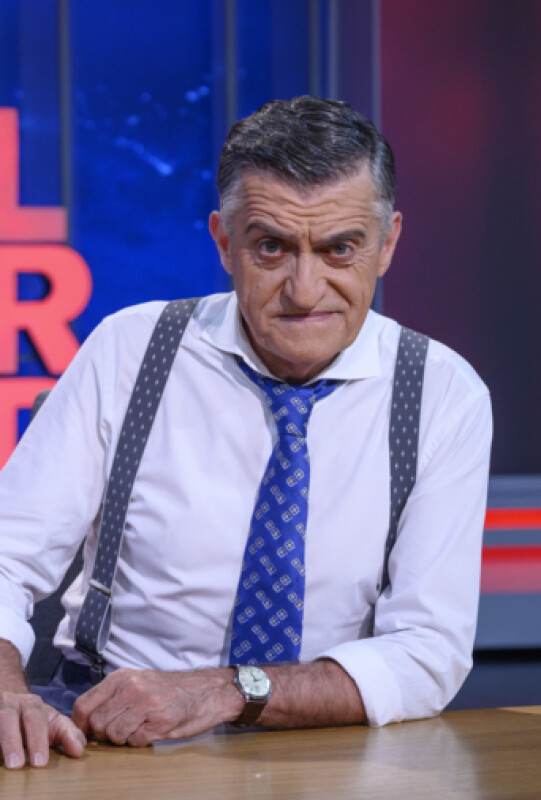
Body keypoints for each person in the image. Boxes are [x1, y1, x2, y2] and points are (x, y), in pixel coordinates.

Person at [0, 96, 492, 769]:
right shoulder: (130, 350)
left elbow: (428, 651)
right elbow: (6, 556)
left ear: (387, 244)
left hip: (330, 749)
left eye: (339, 248)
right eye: (271, 247)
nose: (304, 289)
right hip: (110, 737)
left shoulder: (442, 394)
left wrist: (227, 691)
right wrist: (6, 692)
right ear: (224, 242)